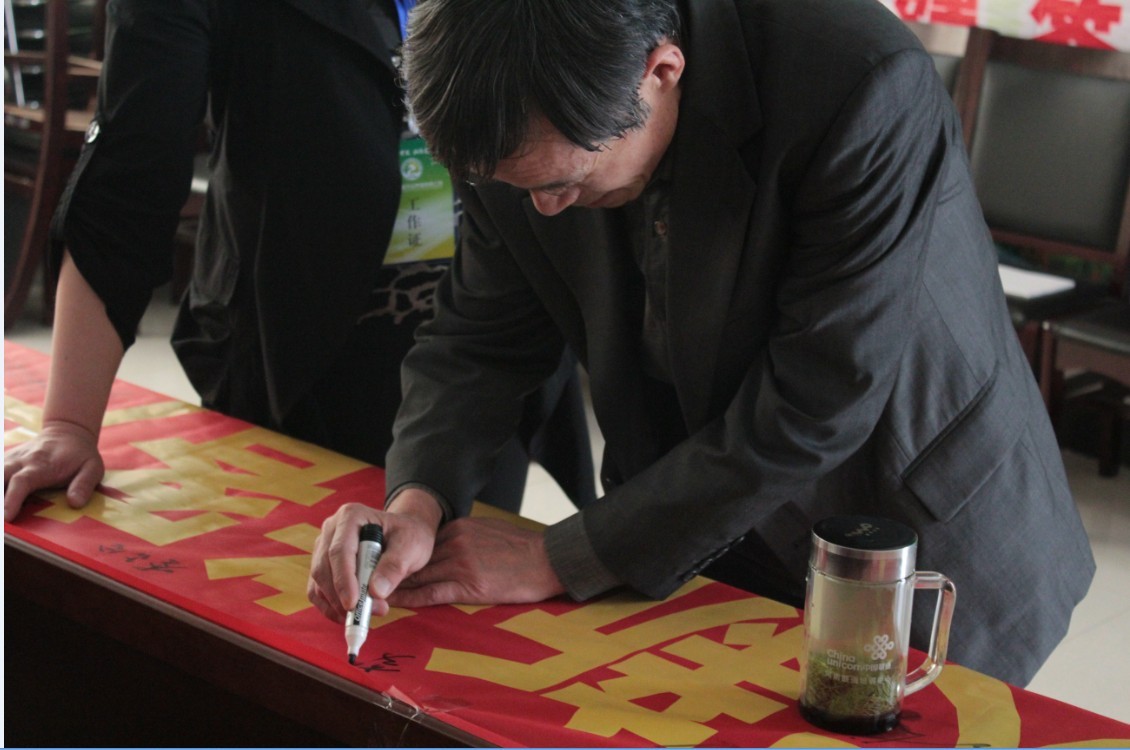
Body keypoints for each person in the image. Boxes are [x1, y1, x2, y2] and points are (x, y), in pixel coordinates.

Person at [305, 0, 1095, 686]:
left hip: (901, 517)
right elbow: (483, 337)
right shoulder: (518, 115)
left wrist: (556, 556)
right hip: (686, 515)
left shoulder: (857, 80)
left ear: (660, 71)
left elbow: (816, 404)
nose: (543, 209)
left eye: (562, 183)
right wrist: (417, 501)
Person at [2, 0, 596, 522]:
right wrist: (69, 425)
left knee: (452, 576)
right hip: (290, 339)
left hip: (490, 337)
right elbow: (130, 180)